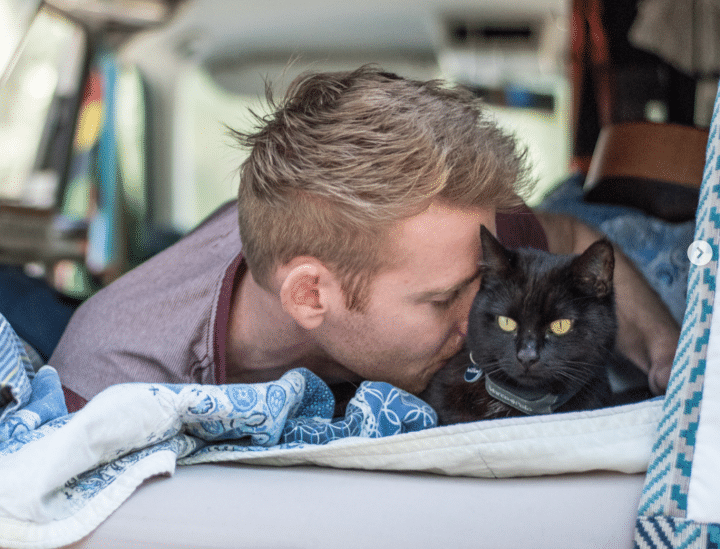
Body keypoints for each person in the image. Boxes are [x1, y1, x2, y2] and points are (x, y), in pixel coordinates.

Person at [50, 66, 678, 413]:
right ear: (311, 296)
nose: (479, 321)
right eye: (443, 300)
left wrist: (663, 352)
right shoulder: (111, 381)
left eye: (479, 287)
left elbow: (571, 234)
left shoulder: (454, 234)